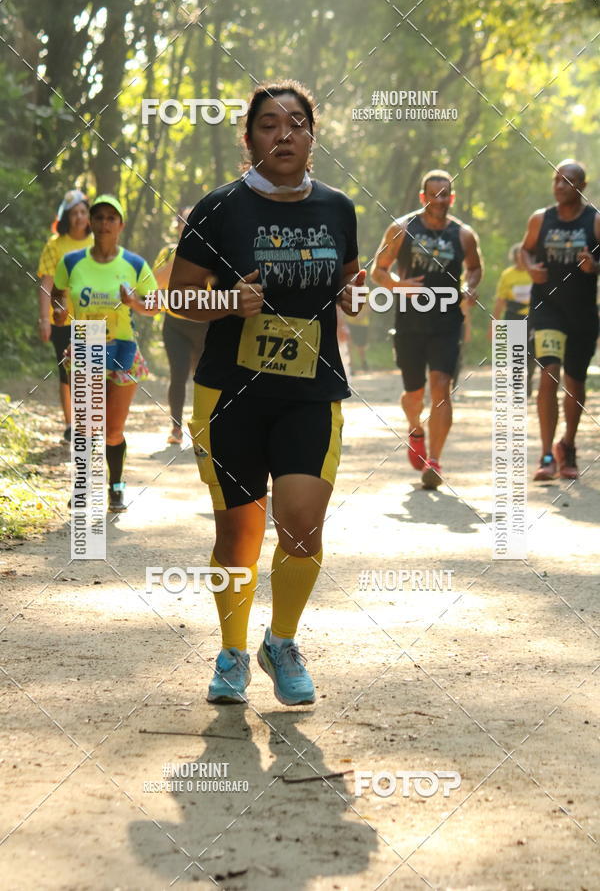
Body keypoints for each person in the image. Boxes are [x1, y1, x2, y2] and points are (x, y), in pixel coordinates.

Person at [168, 81, 365, 707]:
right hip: (231, 394)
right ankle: (231, 652)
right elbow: (177, 297)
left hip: (310, 391)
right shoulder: (220, 209)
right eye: (269, 124)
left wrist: (351, 294)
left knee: (302, 525)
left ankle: (281, 643)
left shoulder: (337, 208)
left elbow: (346, 280)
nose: (284, 134)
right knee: (239, 534)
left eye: (297, 122)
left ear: (312, 135)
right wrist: (228, 301)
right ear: (249, 138)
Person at [371, 169, 482, 489]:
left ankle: (434, 461)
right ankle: (415, 429)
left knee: (441, 387)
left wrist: (470, 288)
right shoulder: (402, 229)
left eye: (445, 195)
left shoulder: (463, 234)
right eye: (434, 195)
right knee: (414, 394)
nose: (440, 201)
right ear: (423, 197)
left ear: (452, 198)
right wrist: (398, 285)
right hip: (410, 323)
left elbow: (475, 268)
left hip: (447, 322)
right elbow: (378, 270)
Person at [51, 195, 160, 512]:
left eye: (111, 218)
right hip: (87, 341)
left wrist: (134, 303)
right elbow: (58, 295)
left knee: (112, 430)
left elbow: (155, 306)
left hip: (123, 347)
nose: (104, 223)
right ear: (90, 222)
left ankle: (116, 486)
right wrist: (59, 313)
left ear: (121, 225)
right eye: (98, 217)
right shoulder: (71, 262)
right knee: (86, 425)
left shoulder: (135, 264)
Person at [520, 160, 600, 481]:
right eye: (556, 180)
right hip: (547, 308)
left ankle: (568, 445)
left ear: (582, 186)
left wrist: (594, 267)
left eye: (567, 181)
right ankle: (546, 455)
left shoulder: (595, 221)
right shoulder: (541, 219)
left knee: (575, 382)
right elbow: (525, 250)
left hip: (582, 313)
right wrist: (530, 267)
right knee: (548, 374)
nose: (560, 186)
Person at [37, 190, 92, 442]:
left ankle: (88, 423)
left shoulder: (98, 242)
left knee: (89, 372)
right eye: (74, 213)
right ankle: (71, 425)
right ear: (66, 217)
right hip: (61, 318)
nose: (79, 217)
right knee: (67, 373)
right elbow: (46, 285)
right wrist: (44, 319)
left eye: (83, 212)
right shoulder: (55, 245)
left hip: (92, 318)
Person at [153, 207, 209, 445]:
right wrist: (180, 256)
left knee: (204, 378)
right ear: (177, 227)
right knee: (178, 374)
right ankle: (176, 427)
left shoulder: (212, 251)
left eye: (193, 222)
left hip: (205, 325)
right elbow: (154, 282)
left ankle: (203, 427)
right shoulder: (168, 253)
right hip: (175, 325)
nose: (188, 227)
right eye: (184, 223)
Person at [488, 244, 536, 397]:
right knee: (516, 352)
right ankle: (517, 385)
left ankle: (528, 378)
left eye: (524, 257)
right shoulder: (507, 275)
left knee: (532, 352)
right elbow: (500, 301)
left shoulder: (534, 272)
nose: (521, 260)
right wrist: (494, 324)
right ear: (514, 258)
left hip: (533, 317)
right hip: (514, 316)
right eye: (518, 257)